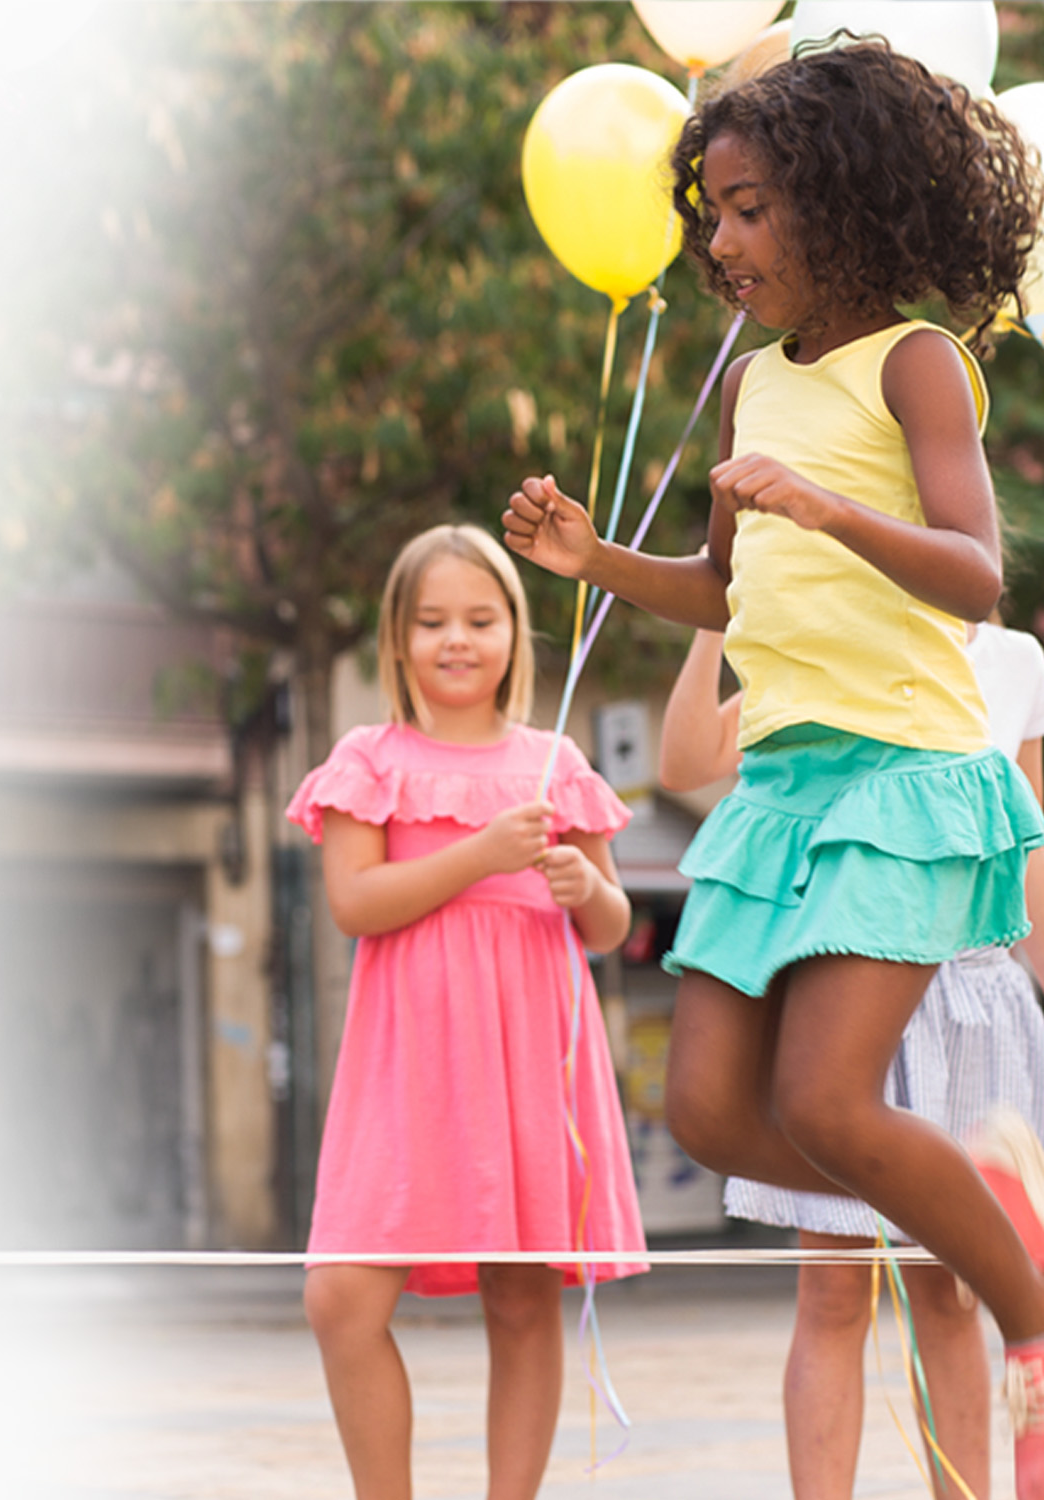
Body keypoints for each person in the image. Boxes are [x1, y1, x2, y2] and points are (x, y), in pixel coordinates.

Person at [495, 40, 1044, 1500]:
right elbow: (729, 592)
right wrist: (596, 562)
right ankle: (992, 1213)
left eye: (752, 208)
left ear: (849, 201)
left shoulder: (918, 365)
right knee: (722, 1115)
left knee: (834, 1106)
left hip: (898, 777)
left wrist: (836, 509)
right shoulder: (754, 395)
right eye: (709, 212)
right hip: (777, 790)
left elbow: (976, 577)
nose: (720, 242)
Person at [663, 621, 1044, 1500]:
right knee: (833, 1290)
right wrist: (717, 608)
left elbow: (1025, 847)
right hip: (846, 982)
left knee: (950, 1293)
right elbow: (686, 760)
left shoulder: (1014, 661)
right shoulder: (821, 630)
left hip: (968, 991)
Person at [291, 524, 641, 1500]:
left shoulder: (553, 760)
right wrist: (482, 854)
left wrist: (583, 887)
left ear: (515, 636)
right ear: (397, 640)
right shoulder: (371, 756)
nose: (457, 640)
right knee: (341, 1299)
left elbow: (611, 926)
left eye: (481, 619)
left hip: (532, 1049)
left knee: (523, 1297)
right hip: (409, 1058)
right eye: (432, 621)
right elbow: (356, 904)